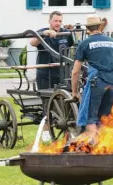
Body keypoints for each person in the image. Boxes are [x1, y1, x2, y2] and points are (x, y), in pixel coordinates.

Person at [71, 14, 113, 140]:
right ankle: (103, 145)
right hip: (111, 82)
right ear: (100, 26)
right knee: (105, 117)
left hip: (96, 82)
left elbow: (75, 72)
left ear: (87, 29)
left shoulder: (85, 43)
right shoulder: (112, 42)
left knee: (91, 118)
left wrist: (74, 92)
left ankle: (93, 145)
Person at [30, 11, 74, 141]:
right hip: (45, 74)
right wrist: (43, 34)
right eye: (56, 21)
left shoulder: (65, 33)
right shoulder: (42, 32)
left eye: (60, 21)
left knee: (64, 102)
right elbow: (32, 42)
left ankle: (68, 132)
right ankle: (46, 131)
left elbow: (72, 44)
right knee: (47, 103)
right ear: (50, 21)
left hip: (61, 74)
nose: (58, 24)